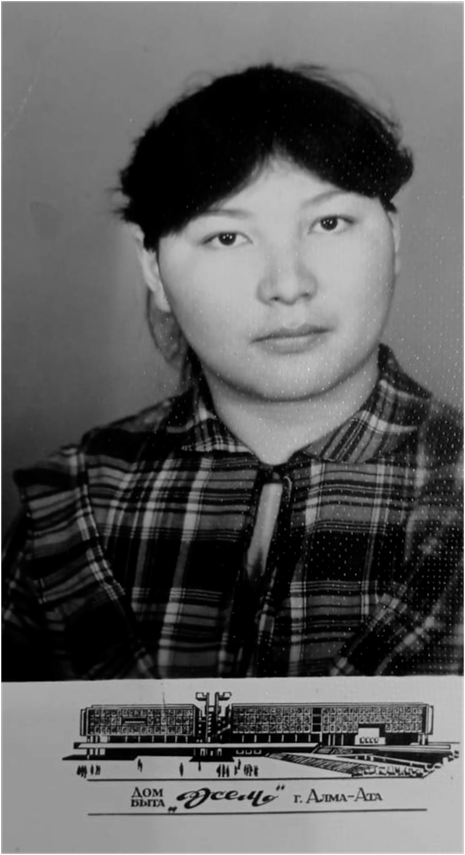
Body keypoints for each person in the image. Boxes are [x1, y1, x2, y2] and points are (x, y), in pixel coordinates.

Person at [2, 64, 462, 681]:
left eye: (329, 223)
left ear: (394, 235)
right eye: (226, 237)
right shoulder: (74, 503)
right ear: (153, 266)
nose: (288, 285)